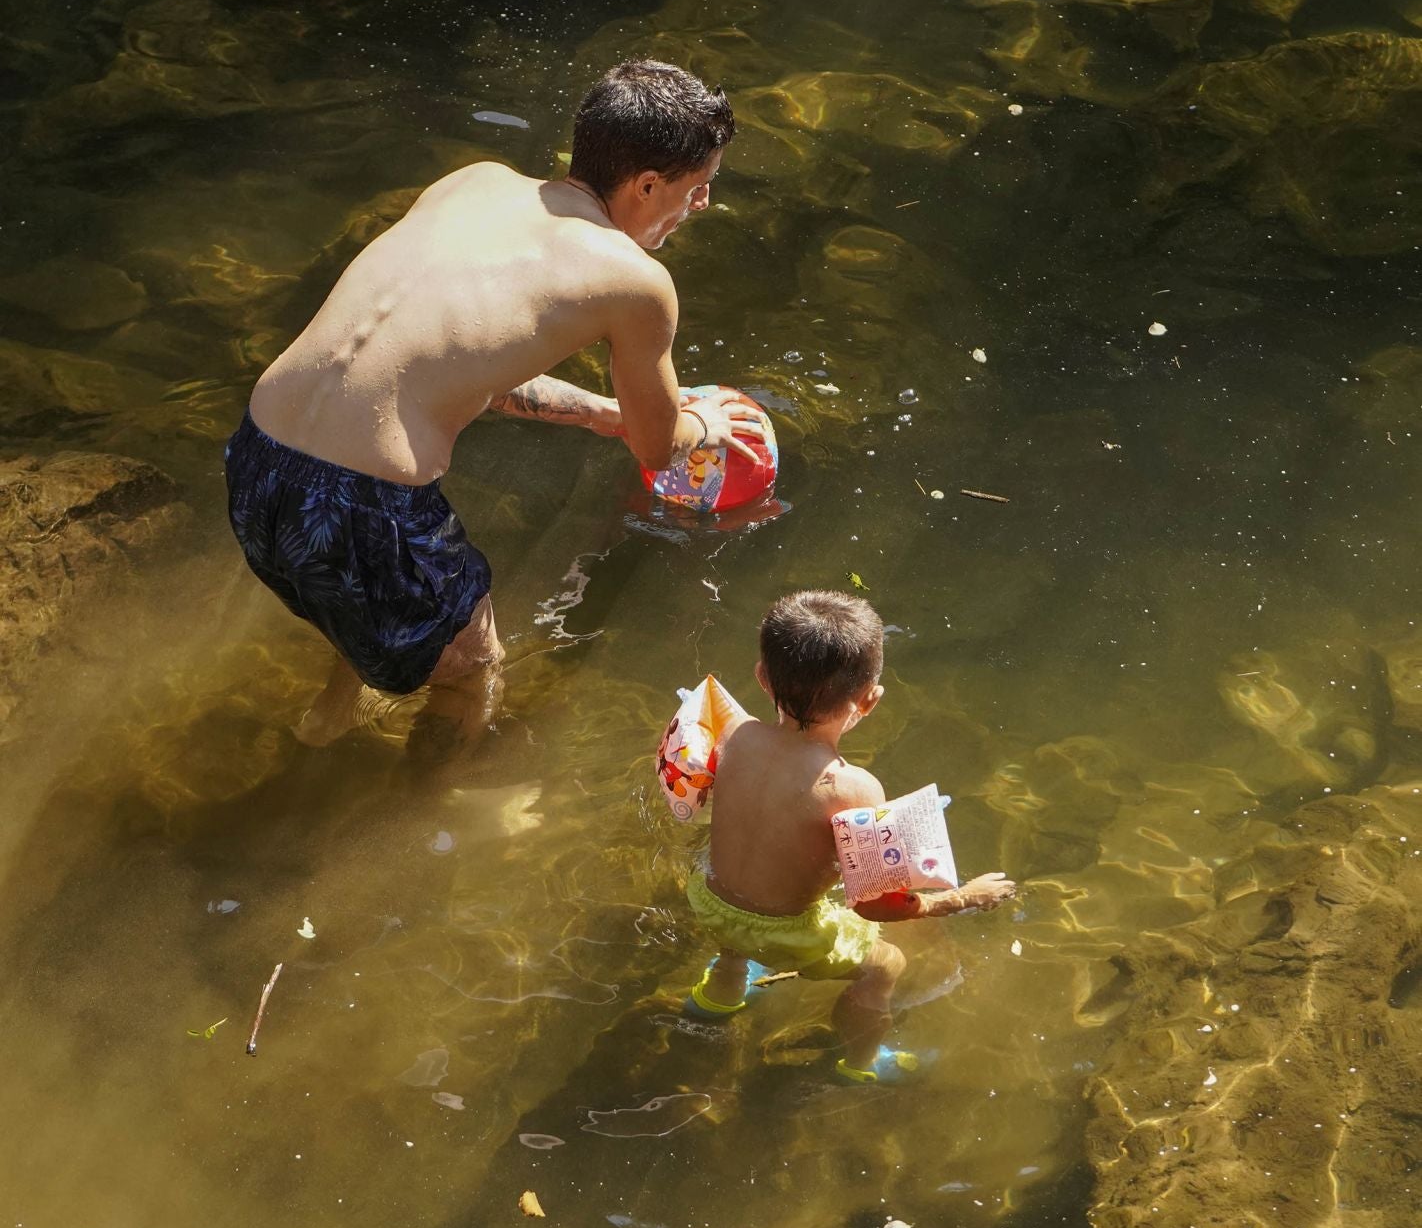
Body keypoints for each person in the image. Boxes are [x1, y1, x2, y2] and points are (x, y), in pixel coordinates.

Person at [224, 58, 768, 748]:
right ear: (647, 184)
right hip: (364, 506)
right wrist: (703, 423)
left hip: (254, 461)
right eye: (697, 190)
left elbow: (447, 366)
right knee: (473, 664)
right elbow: (658, 450)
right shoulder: (637, 280)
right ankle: (410, 835)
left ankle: (332, 712)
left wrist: (600, 412)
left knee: (377, 590)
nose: (702, 206)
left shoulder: (472, 183)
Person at [684, 589, 1016, 1083]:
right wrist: (960, 898)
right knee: (885, 965)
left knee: (741, 922)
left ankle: (719, 995)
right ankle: (859, 1064)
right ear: (870, 699)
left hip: (707, 897)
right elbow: (873, 906)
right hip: (785, 930)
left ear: (760, 677)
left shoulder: (737, 737)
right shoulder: (852, 788)